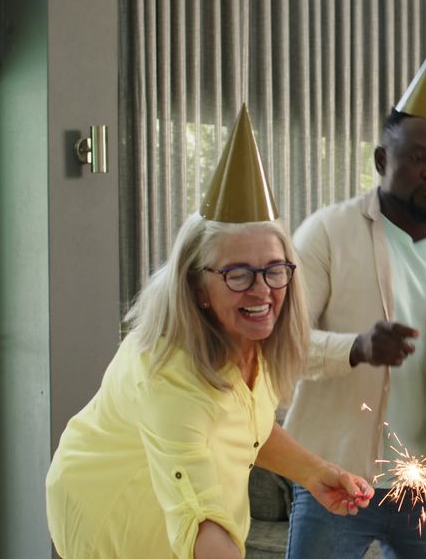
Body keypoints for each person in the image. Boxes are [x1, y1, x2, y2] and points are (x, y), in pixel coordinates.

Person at [45, 105, 373, 559]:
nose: (262, 290)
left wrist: (314, 473)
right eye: (238, 273)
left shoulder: (249, 345)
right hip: (109, 520)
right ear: (198, 285)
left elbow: (248, 427)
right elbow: (199, 513)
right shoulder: (167, 373)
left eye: (274, 270)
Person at [283, 40, 426, 559]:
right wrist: (356, 347)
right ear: (382, 159)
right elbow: (280, 348)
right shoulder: (327, 233)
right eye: (420, 156)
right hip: (333, 479)